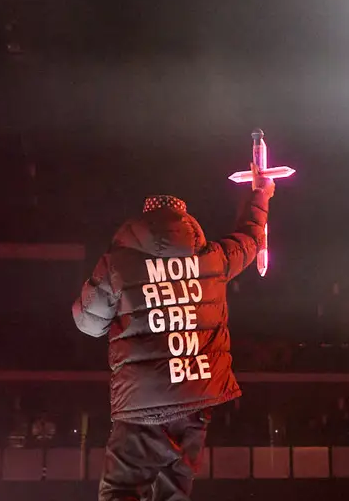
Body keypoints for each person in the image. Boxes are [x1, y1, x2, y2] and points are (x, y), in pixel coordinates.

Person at [73, 172, 275, 501]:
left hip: (141, 402)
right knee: (173, 493)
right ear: (186, 221)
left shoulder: (118, 263)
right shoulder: (213, 258)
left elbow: (88, 323)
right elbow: (250, 239)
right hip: (195, 397)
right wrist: (260, 195)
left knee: (123, 490)